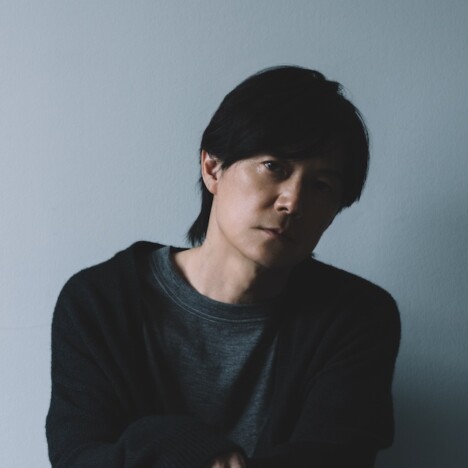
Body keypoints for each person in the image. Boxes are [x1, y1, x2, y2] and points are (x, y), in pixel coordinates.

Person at [46, 65, 401, 468]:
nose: (293, 202)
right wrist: (179, 442)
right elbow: (79, 458)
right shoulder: (100, 301)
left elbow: (335, 459)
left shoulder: (357, 317)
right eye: (274, 167)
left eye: (321, 185)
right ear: (212, 167)